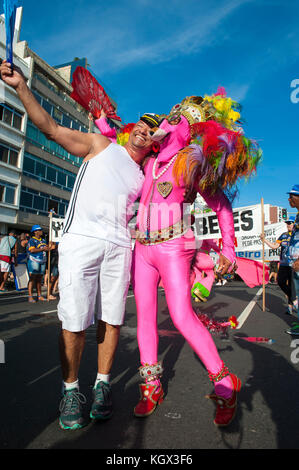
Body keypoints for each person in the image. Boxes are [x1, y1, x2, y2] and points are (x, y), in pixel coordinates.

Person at [0, 59, 159, 430]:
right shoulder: (101, 144)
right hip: (82, 241)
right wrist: (21, 86)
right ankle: (71, 389)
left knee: (112, 321)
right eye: (142, 125)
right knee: (73, 321)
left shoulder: (145, 177)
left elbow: (166, 207)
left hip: (120, 246)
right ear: (131, 129)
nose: (144, 131)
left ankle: (102, 386)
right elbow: (51, 128)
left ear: (155, 144)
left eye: (153, 132)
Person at [131, 89, 262, 427]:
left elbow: (221, 206)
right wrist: (102, 120)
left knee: (181, 316)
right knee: (144, 316)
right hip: (142, 249)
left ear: (189, 130)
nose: (169, 120)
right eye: (169, 114)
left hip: (175, 245)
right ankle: (151, 386)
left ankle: (224, 383)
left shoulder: (190, 160)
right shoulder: (151, 161)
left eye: (178, 118)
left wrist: (229, 248)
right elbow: (118, 140)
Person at [260, 216, 296, 315]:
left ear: (295, 223)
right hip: (284, 264)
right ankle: (294, 298)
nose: (288, 224)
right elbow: (274, 246)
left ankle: (290, 307)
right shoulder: (283, 235)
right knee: (280, 282)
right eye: (287, 223)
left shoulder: (297, 235)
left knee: (292, 286)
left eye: (290, 223)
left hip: (294, 265)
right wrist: (264, 240)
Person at [284, 185, 299, 335]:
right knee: (296, 297)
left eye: (292, 196)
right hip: (294, 264)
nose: (289, 199)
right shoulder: (297, 216)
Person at [27, 225, 54, 303]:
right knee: (32, 278)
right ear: (35, 232)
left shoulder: (43, 240)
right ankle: (30, 296)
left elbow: (46, 249)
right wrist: (42, 249)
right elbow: (32, 250)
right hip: (34, 260)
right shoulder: (32, 240)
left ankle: (39, 295)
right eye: (39, 230)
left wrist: (50, 247)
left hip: (42, 261)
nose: (41, 231)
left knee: (39, 279)